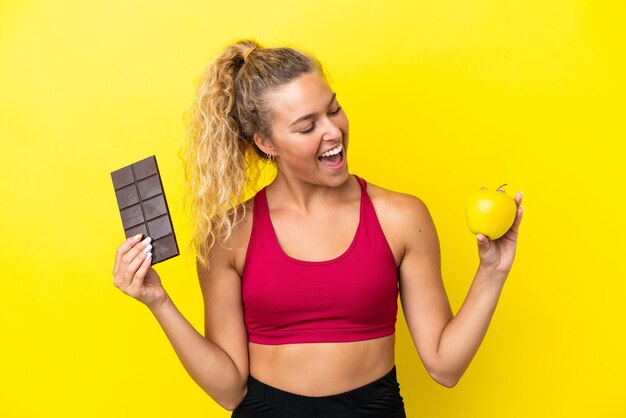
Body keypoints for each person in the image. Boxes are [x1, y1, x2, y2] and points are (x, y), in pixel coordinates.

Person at [112, 39, 523, 417]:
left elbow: (444, 366)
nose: (333, 131)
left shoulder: (401, 217)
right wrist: (159, 301)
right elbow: (229, 389)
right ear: (266, 143)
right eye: (307, 126)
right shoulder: (229, 235)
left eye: (334, 109)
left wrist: (493, 271)